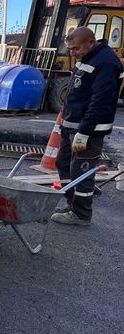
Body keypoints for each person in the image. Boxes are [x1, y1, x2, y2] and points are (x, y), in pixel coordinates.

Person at [51, 27, 123, 226]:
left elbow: (100, 101)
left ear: (91, 42)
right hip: (71, 126)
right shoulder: (88, 57)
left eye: (76, 49)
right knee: (63, 164)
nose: (73, 54)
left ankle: (82, 214)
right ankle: (72, 203)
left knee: (81, 171)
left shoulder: (106, 63)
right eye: (71, 49)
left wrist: (84, 131)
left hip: (88, 130)